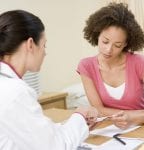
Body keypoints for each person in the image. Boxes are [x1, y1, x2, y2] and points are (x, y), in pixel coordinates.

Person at [0, 10, 98, 150]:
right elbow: (55, 146)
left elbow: (35, 134)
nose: (45, 52)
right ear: (30, 44)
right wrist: (80, 116)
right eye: (44, 45)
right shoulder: (15, 92)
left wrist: (74, 122)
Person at [77, 2, 144, 129]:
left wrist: (133, 118)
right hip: (109, 128)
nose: (108, 49)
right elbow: (98, 109)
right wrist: (141, 114)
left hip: (142, 126)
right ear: (97, 34)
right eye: (105, 41)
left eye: (117, 45)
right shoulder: (86, 66)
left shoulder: (140, 62)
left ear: (126, 44)